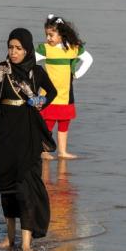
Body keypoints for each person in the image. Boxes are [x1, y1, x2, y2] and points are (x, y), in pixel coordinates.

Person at [0, 28, 58, 251]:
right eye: (10, 47)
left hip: (27, 132)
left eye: (18, 48)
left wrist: (40, 101)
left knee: (25, 188)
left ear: (27, 49)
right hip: (4, 132)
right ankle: (9, 238)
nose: (13, 52)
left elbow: (52, 91)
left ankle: (26, 245)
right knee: (7, 187)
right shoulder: (1, 69)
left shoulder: (36, 71)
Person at [36, 14, 92, 160]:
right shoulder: (46, 49)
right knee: (47, 123)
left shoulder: (73, 49)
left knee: (64, 123)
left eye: (51, 35)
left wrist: (77, 74)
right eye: (46, 35)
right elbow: (30, 61)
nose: (48, 38)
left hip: (66, 94)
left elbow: (88, 59)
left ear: (61, 34)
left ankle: (62, 151)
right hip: (48, 95)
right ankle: (44, 151)